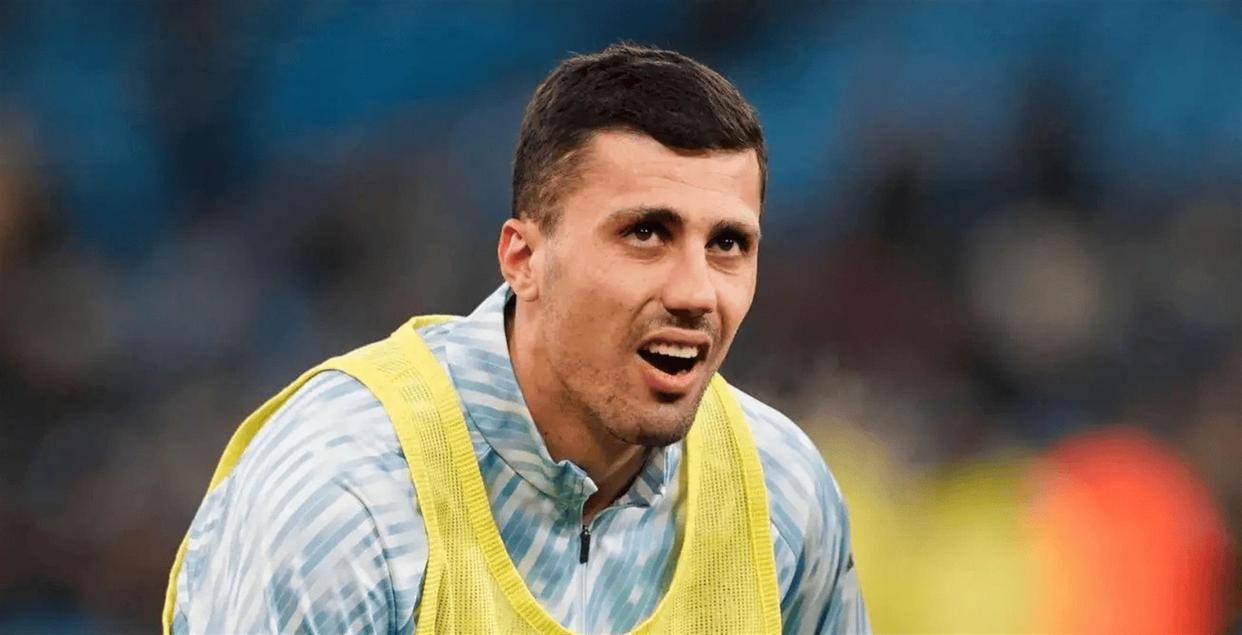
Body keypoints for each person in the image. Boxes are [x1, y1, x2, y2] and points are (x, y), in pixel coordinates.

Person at [165, 43, 869, 635]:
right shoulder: (347, 501)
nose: (695, 292)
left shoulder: (782, 496)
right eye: (645, 233)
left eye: (728, 244)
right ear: (524, 259)